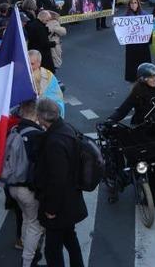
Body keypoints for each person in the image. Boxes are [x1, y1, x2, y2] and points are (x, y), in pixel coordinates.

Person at [107, 63, 155, 199]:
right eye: (151, 77)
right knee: (142, 160)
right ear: (143, 78)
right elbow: (124, 109)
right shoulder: (137, 92)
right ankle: (144, 189)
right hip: (142, 132)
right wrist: (111, 120)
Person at [34, 98, 88, 267]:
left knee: (52, 250)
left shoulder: (54, 141)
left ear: (42, 117)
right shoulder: (66, 128)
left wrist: (51, 209)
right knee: (70, 238)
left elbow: (57, 179)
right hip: (71, 198)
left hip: (60, 205)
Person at [6, 100, 46, 267]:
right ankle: (28, 260)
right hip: (27, 188)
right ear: (36, 114)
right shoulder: (36, 134)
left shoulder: (14, 129)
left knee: (26, 219)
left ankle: (23, 246)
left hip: (12, 186)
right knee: (35, 225)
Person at [123, 0, 153, 82]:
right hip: (132, 46)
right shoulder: (125, 17)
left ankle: (146, 77)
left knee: (144, 62)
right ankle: (133, 79)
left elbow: (149, 29)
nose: (133, 5)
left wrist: (152, 22)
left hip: (143, 45)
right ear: (129, 5)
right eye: (131, 3)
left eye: (135, 2)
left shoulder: (145, 15)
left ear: (138, 4)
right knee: (132, 64)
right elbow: (122, 30)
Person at [29, 50, 66, 117]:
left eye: (32, 64)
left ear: (39, 63)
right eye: (27, 63)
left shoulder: (44, 75)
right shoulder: (45, 72)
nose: (29, 66)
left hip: (50, 112)